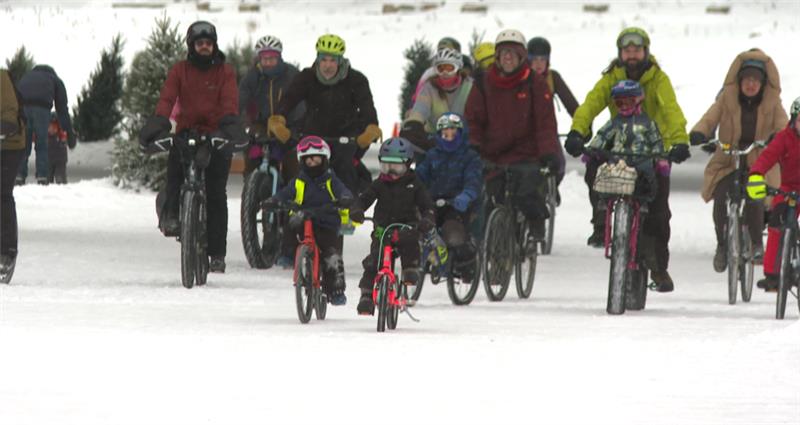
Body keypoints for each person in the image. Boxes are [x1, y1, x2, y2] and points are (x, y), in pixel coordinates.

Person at [564, 27, 690, 291]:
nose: (632, 55)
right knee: (594, 170)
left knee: (658, 212)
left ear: (646, 51)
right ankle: (601, 222)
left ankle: (658, 269)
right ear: (620, 54)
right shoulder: (612, 77)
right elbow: (591, 104)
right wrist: (578, 131)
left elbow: (671, 111)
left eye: (637, 50)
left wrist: (679, 142)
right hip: (619, 146)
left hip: (654, 151)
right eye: (626, 50)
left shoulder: (658, 79)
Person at [138, 20, 247, 274]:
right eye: (200, 43)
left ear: (214, 45)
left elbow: (230, 101)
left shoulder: (225, 72)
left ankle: (217, 253)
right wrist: (158, 124)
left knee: (216, 193)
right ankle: (173, 216)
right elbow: (167, 99)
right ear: (192, 45)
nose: (205, 47)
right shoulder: (180, 70)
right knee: (174, 172)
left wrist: (230, 128)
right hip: (187, 131)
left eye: (209, 43)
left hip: (217, 133)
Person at [690, 49, 787, 273]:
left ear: (763, 84)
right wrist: (700, 133)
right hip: (728, 158)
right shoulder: (727, 98)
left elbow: (783, 125)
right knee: (721, 196)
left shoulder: (773, 103)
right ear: (739, 81)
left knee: (755, 194)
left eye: (756, 80)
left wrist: (777, 138)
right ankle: (722, 246)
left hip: (760, 160)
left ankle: (755, 244)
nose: (751, 85)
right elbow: (710, 118)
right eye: (747, 80)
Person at [465, 29, 559, 248]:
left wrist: (548, 153)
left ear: (521, 57)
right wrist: (473, 145)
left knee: (527, 193)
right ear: (497, 56)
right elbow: (473, 118)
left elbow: (545, 123)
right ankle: (493, 249)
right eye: (503, 53)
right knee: (489, 198)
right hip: (492, 152)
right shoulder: (483, 82)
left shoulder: (535, 83)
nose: (507, 58)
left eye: (513, 54)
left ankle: (535, 225)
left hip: (526, 154)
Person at [269, 33, 380, 195]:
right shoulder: (307, 77)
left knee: (344, 166)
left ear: (340, 61)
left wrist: (370, 129)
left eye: (333, 60)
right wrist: (278, 119)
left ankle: (347, 209)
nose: (328, 66)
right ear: (318, 60)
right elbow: (289, 99)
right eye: (324, 60)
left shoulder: (356, 80)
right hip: (314, 130)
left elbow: (367, 108)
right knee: (303, 167)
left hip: (346, 134)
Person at [263, 136, 356, 305]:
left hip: (326, 220)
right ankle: (288, 254)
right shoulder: (299, 181)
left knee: (331, 256)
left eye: (316, 159)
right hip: (303, 216)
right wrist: (274, 200)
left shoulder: (330, 180)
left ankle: (335, 290)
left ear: (325, 160)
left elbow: (343, 190)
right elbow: (285, 193)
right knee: (290, 225)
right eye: (308, 161)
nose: (312, 164)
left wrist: (345, 198)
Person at [352, 137, 435, 315]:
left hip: (407, 228)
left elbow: (426, 205)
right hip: (383, 230)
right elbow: (364, 199)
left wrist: (427, 218)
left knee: (410, 246)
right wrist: (357, 210)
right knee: (373, 261)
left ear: (407, 165)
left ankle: (410, 271)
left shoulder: (415, 185)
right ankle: (366, 296)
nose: (392, 171)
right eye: (387, 166)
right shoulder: (379, 184)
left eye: (396, 167)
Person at [416, 113, 482, 281]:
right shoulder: (432, 156)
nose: (449, 137)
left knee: (453, 233)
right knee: (418, 227)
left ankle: (462, 262)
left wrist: (466, 196)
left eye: (453, 133)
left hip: (457, 205)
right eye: (445, 134)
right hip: (432, 203)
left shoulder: (470, 157)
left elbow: (473, 181)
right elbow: (419, 177)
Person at [746, 96, 800, 291]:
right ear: (794, 120)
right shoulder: (784, 137)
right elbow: (768, 156)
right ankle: (772, 274)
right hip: (787, 189)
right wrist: (756, 175)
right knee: (776, 223)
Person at [586, 80, 666, 205]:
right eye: (619, 103)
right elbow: (603, 135)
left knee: (647, 178)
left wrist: (660, 159)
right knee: (606, 175)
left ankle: (643, 202)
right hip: (618, 158)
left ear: (639, 100)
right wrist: (592, 149)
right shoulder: (615, 122)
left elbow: (656, 141)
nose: (624, 106)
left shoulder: (647, 123)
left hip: (641, 159)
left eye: (629, 102)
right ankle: (603, 201)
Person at [238, 35, 304, 181]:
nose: (268, 62)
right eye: (264, 58)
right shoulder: (252, 77)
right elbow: (239, 102)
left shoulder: (291, 75)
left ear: (279, 57)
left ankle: (292, 197)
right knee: (251, 158)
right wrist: (241, 125)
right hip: (260, 126)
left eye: (272, 58)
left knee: (292, 162)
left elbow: (300, 103)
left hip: (287, 126)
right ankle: (250, 191)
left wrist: (293, 130)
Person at [527, 36, 579, 186]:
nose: (538, 64)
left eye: (542, 60)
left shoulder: (552, 78)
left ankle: (551, 190)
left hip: (547, 131)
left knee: (559, 165)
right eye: (534, 59)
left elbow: (571, 104)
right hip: (522, 132)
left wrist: (581, 126)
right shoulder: (521, 78)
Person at [400, 48, 474, 152]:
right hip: (434, 141)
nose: (445, 72)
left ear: (458, 68)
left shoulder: (470, 87)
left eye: (449, 68)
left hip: (464, 142)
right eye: (440, 68)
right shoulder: (429, 88)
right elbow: (420, 110)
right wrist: (413, 124)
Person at [15, 64, 74, 185]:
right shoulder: (55, 79)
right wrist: (69, 131)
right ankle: (42, 177)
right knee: (41, 144)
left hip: (23, 108)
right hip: (42, 109)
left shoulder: (26, 76)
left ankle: (19, 176)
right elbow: (62, 108)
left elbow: (15, 95)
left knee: (23, 144)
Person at [1, 69, 26, 282]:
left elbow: (10, 114)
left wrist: (4, 126)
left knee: (2, 193)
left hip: (10, 144)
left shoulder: (1, 77)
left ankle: (6, 252)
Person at [46, 112, 73, 184]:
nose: (51, 129)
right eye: (49, 126)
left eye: (53, 126)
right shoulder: (46, 137)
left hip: (60, 161)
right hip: (49, 161)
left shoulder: (61, 137)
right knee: (47, 180)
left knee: (60, 179)